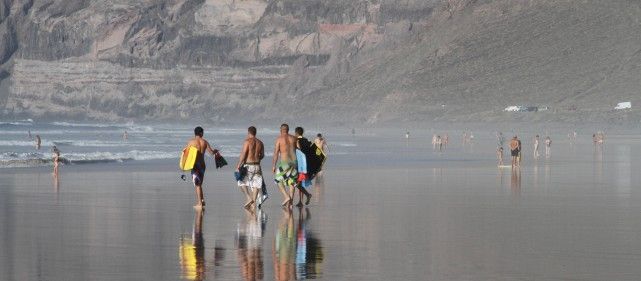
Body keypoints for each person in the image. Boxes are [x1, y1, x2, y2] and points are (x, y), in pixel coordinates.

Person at [184, 126, 218, 208]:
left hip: (195, 165)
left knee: (197, 184)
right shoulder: (204, 142)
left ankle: (199, 203)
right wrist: (215, 151)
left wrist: (184, 165)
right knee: (199, 184)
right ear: (201, 133)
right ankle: (202, 201)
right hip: (202, 165)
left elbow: (186, 154)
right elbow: (211, 153)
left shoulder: (191, 142)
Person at [237, 126, 265, 209]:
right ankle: (253, 203)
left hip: (248, 166)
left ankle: (249, 198)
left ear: (248, 133)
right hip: (257, 165)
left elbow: (243, 154)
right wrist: (257, 159)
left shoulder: (247, 141)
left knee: (240, 181)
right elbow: (262, 155)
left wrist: (238, 165)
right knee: (256, 184)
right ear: (255, 132)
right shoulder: (260, 142)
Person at [272, 124, 298, 207]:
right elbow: (299, 150)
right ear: (288, 129)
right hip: (294, 162)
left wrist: (274, 165)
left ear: (281, 130)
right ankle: (291, 203)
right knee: (292, 182)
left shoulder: (279, 139)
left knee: (278, 180)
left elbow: (276, 153)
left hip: (284, 163)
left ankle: (286, 197)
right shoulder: (294, 138)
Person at [294, 127, 312, 207]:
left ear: (296, 133)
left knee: (297, 183)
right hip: (306, 165)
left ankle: (307, 195)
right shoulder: (306, 140)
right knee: (300, 183)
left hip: (299, 165)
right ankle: (300, 201)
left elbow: (298, 151)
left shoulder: (296, 140)